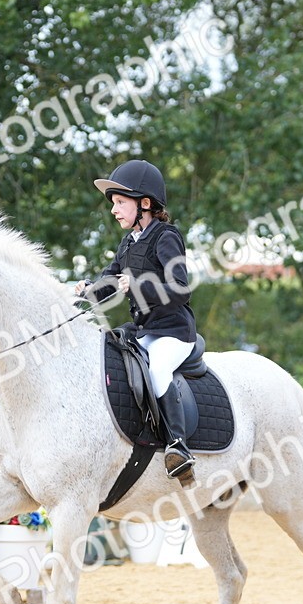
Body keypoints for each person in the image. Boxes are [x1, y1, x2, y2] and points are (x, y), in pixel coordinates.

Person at [75, 159, 197, 480]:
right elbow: (110, 281)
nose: (114, 210)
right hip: (144, 330)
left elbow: (181, 288)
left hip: (174, 332)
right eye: (113, 204)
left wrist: (141, 286)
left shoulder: (165, 237)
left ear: (145, 204)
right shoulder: (128, 243)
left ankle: (178, 445)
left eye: (120, 202)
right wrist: (85, 290)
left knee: (157, 369)